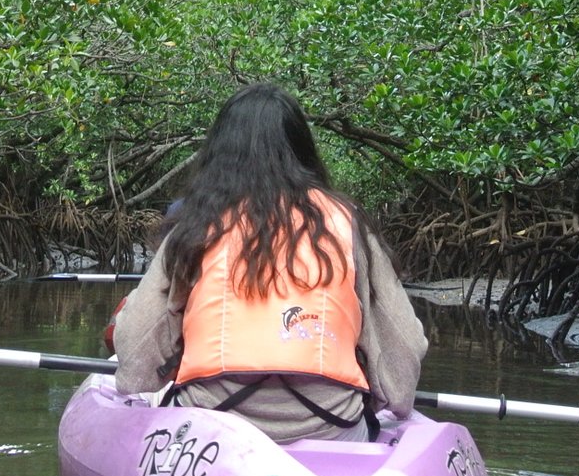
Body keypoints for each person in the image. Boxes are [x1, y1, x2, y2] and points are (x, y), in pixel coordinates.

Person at [113, 83, 427, 443]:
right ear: (302, 150)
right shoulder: (348, 224)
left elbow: (135, 345)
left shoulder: (197, 224)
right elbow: (406, 344)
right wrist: (393, 402)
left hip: (213, 425)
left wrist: (141, 383)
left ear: (221, 151)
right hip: (330, 427)